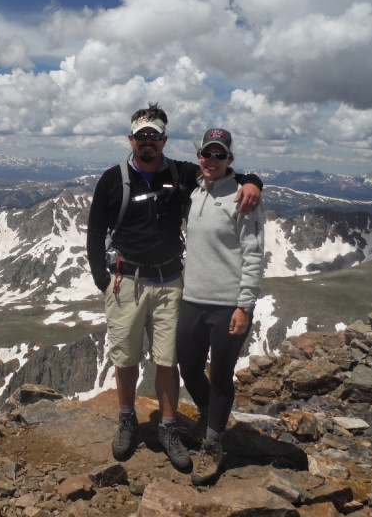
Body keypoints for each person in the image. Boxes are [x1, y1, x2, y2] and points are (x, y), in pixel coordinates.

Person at [86, 103, 263, 470]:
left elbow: (221, 174)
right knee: (126, 357)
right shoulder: (111, 180)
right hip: (126, 282)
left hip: (169, 282)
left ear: (164, 140)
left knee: (168, 361)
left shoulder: (182, 174)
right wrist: (103, 281)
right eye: (141, 136)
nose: (147, 141)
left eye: (154, 135)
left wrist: (252, 182)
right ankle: (126, 419)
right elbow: (94, 232)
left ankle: (167, 428)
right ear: (131, 139)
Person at [176, 128, 265, 485]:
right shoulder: (194, 191)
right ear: (199, 156)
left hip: (228, 304)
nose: (212, 161)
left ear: (230, 159)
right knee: (189, 368)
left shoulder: (244, 199)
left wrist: (244, 306)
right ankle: (211, 419)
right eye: (206, 154)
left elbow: (254, 253)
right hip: (192, 299)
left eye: (219, 155)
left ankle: (213, 443)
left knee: (221, 375)